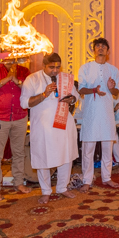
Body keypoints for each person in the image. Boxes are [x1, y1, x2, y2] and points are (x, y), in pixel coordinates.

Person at [20, 53, 79, 204]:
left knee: (66, 156)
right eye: (51, 67)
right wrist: (44, 94)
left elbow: (76, 96)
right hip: (43, 127)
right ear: (43, 66)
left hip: (64, 124)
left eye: (58, 67)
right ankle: (46, 191)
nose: (55, 70)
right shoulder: (32, 79)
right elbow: (24, 103)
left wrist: (71, 99)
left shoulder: (65, 78)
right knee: (43, 158)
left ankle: (62, 188)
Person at [77, 38, 119, 190]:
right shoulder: (85, 68)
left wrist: (111, 87)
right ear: (94, 50)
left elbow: (116, 93)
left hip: (107, 113)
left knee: (107, 148)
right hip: (91, 113)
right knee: (88, 148)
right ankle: (87, 180)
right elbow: (81, 89)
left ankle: (107, 177)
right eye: (98, 46)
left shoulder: (113, 70)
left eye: (103, 46)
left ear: (108, 51)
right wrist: (94, 90)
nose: (100, 48)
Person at [0, 59, 31, 195]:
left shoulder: (24, 71)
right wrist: (7, 79)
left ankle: (19, 182)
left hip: (20, 117)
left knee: (19, 152)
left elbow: (30, 91)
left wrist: (17, 81)